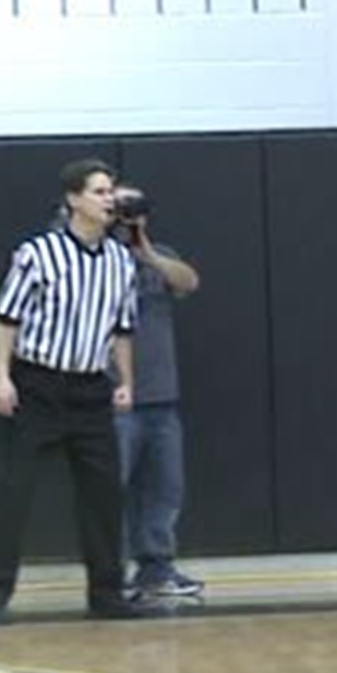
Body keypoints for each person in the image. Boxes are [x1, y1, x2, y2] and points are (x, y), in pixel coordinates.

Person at [0, 159, 143, 625]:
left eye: (111, 192)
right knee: (14, 491)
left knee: (103, 495)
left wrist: (126, 381)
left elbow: (122, 330)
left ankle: (107, 593)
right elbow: (6, 320)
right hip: (39, 385)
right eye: (100, 191)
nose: (110, 199)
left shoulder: (121, 261)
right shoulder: (37, 254)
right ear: (73, 199)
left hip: (90, 390)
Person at [107, 183, 206, 598]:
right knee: (113, 488)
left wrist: (147, 252)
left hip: (162, 396)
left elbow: (189, 282)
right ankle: (109, 575)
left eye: (137, 209)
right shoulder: (91, 258)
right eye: (122, 207)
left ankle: (156, 570)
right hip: (113, 398)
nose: (131, 216)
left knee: (165, 488)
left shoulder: (159, 253)